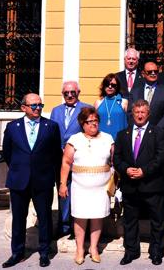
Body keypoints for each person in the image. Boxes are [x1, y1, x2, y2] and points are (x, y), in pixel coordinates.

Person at [2, 93, 62, 268]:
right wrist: (19, 168)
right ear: (24, 107)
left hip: (42, 180)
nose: (37, 109)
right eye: (34, 105)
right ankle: (17, 252)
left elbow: (55, 155)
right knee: (18, 219)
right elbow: (7, 153)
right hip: (18, 180)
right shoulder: (13, 127)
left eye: (40, 106)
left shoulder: (51, 126)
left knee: (44, 218)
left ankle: (45, 252)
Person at [114, 100, 164, 265]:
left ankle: (157, 251)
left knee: (157, 220)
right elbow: (117, 157)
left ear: (148, 114)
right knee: (130, 221)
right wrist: (125, 169)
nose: (139, 115)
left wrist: (144, 171)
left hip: (152, 184)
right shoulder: (122, 134)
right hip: (130, 185)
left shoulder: (159, 133)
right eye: (136, 112)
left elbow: (161, 157)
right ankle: (131, 251)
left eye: (142, 112)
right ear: (132, 114)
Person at [58, 107, 114, 265]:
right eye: (90, 121)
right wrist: (63, 184)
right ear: (82, 123)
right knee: (80, 217)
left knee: (97, 216)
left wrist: (115, 182)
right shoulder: (74, 140)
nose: (93, 124)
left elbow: (115, 161)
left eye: (96, 121)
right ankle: (80, 249)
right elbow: (66, 163)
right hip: (80, 186)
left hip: (101, 186)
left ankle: (94, 248)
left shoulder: (108, 138)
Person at [50, 81, 92, 238]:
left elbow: (90, 132)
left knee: (79, 192)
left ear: (78, 92)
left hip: (79, 157)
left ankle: (79, 226)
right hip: (59, 159)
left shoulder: (86, 109)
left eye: (72, 92)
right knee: (63, 191)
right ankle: (64, 225)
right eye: (66, 93)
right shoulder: (56, 111)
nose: (69, 95)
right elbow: (53, 132)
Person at [131, 61, 164, 129]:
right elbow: (130, 112)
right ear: (143, 74)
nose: (153, 73)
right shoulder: (135, 91)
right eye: (150, 72)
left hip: (159, 133)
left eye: (155, 71)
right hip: (139, 131)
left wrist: (156, 130)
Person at [94, 74, 128, 141]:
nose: (110, 87)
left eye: (113, 85)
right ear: (104, 86)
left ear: (117, 87)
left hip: (119, 140)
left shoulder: (123, 102)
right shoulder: (98, 103)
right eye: (107, 84)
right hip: (101, 140)